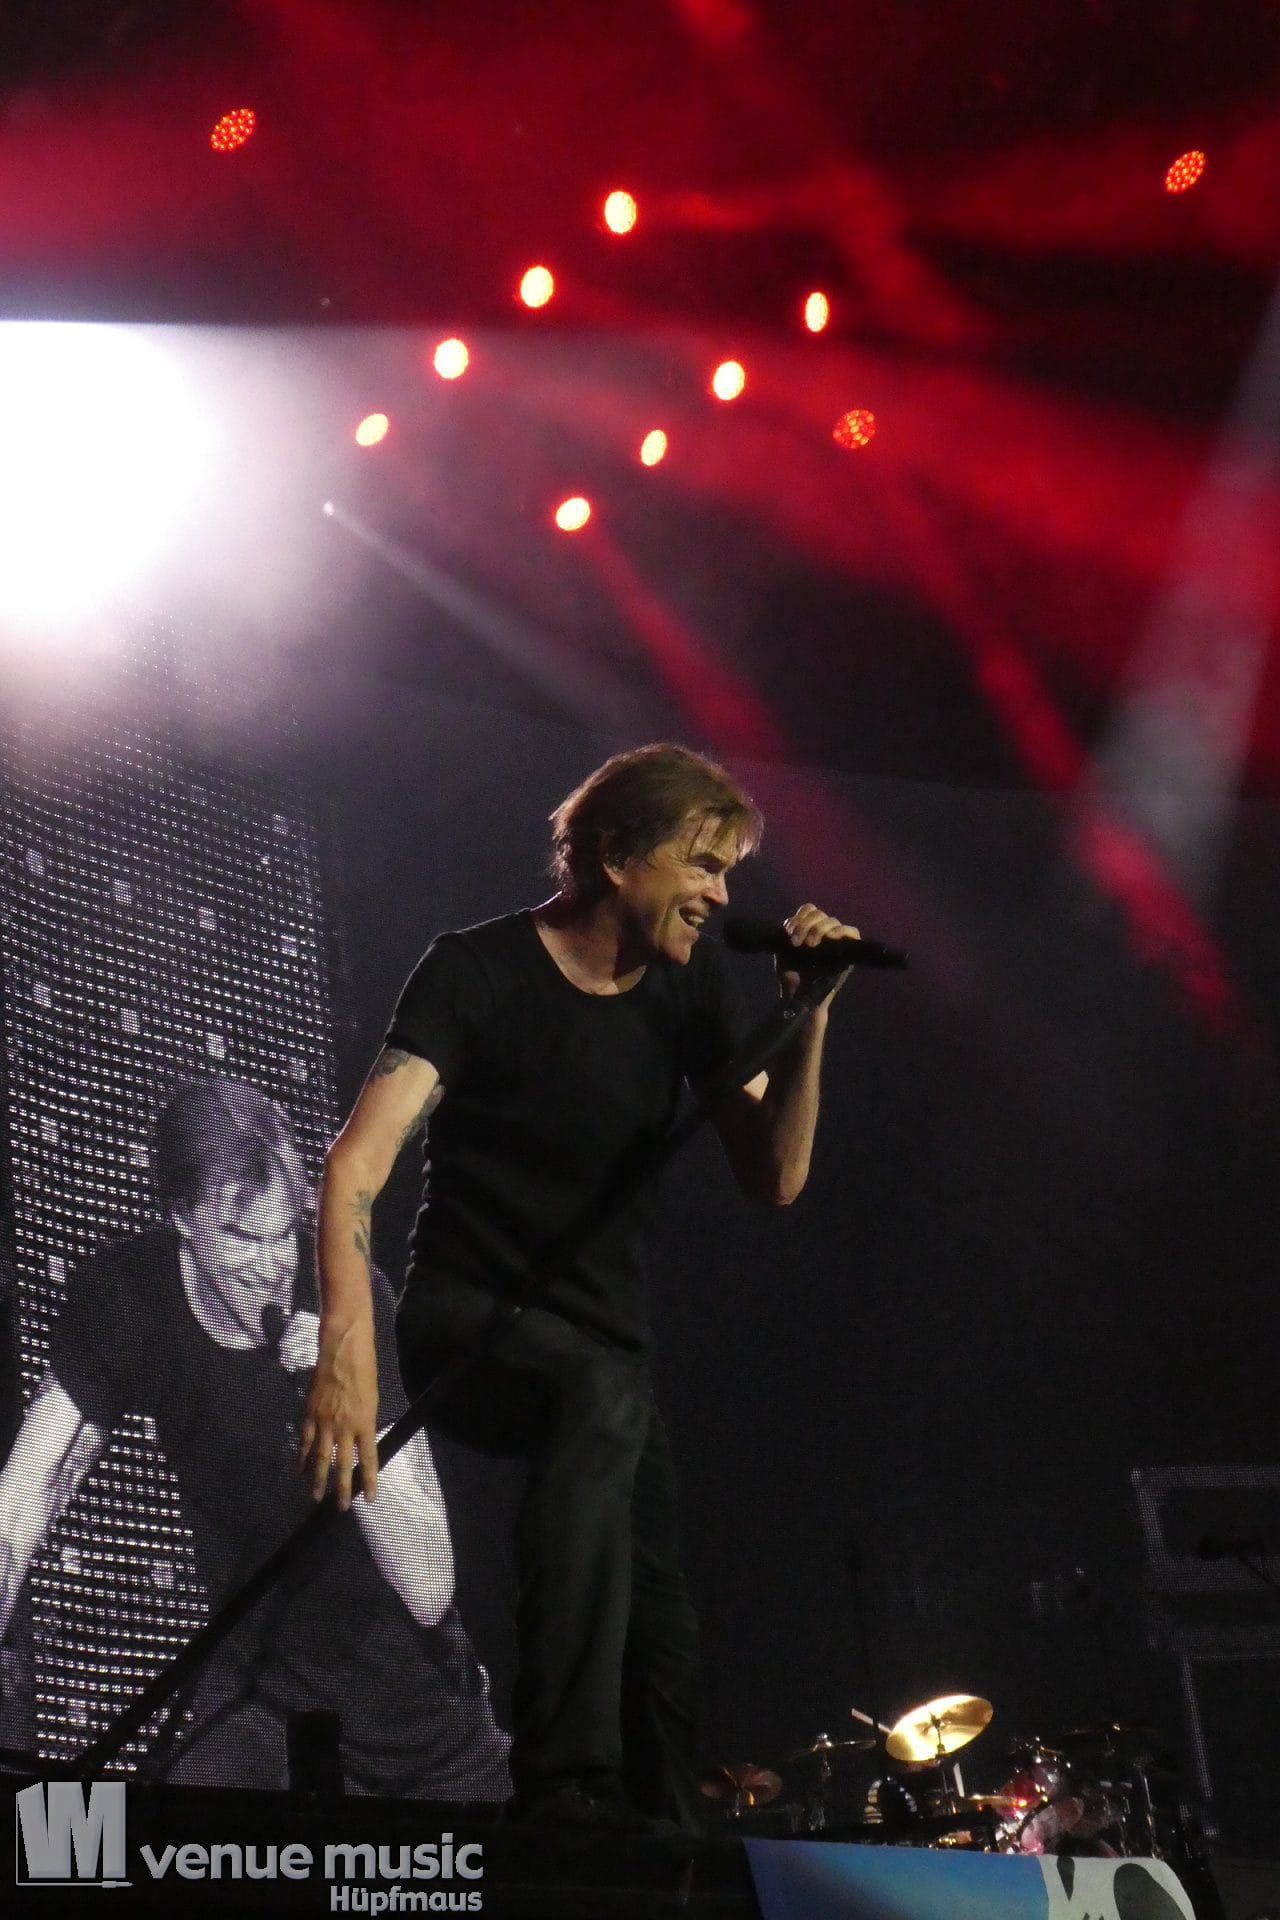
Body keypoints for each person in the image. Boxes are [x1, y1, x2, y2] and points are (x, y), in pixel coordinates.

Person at [300, 743, 858, 1831]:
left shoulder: (687, 989)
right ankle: (561, 1791)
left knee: (664, 1637)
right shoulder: (476, 971)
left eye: (728, 871)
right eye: (701, 864)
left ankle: (662, 1853)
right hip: (467, 1324)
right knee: (597, 1396)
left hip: (604, 1359)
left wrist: (809, 1018)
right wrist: (345, 1354)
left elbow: (776, 1177)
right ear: (615, 857)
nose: (720, 896)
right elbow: (355, 1165)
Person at [0, 1076, 510, 1799]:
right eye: (244, 1238)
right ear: (183, 1217)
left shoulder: (344, 1294)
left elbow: (428, 1586)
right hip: (257, 1690)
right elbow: (28, 1492)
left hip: (405, 1705)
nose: (274, 1264)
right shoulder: (128, 1295)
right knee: (127, 1843)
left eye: (284, 1233)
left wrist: (341, 1406)